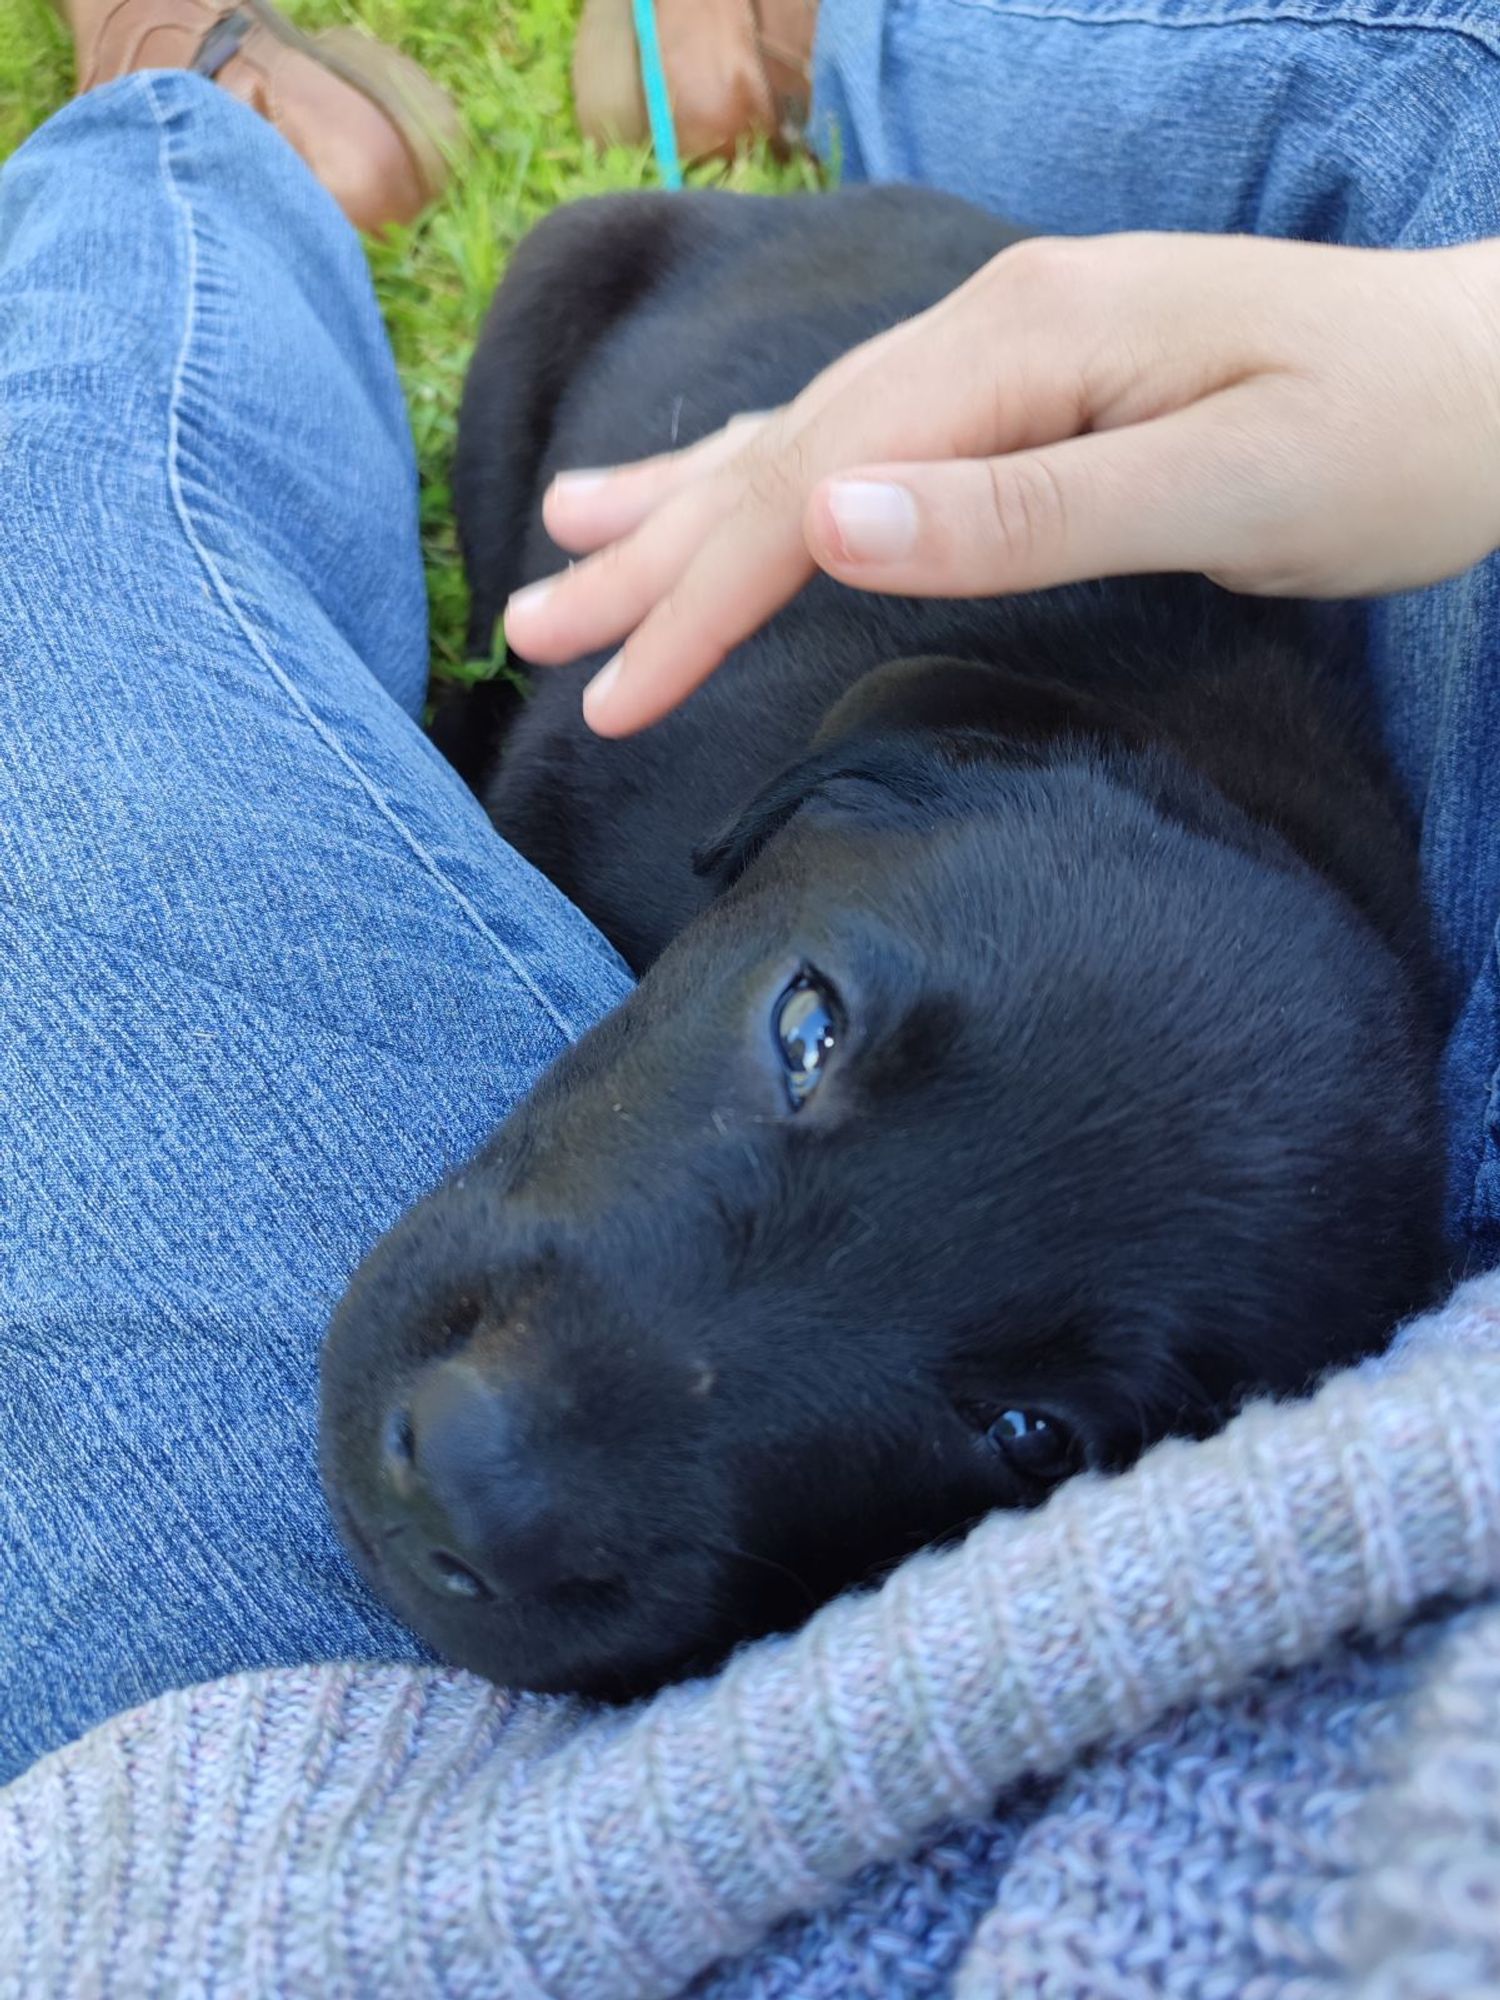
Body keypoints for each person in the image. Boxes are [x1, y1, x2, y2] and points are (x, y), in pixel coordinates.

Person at [0, 0, 1497, 1990]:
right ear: (815, 817)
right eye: (811, 1034)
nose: (515, 1450)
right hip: (696, 354)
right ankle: (826, 34)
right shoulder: (705, 790)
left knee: (66, 583)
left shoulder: (921, 902)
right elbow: (584, 739)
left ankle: (187, 149)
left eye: (1039, 1432)